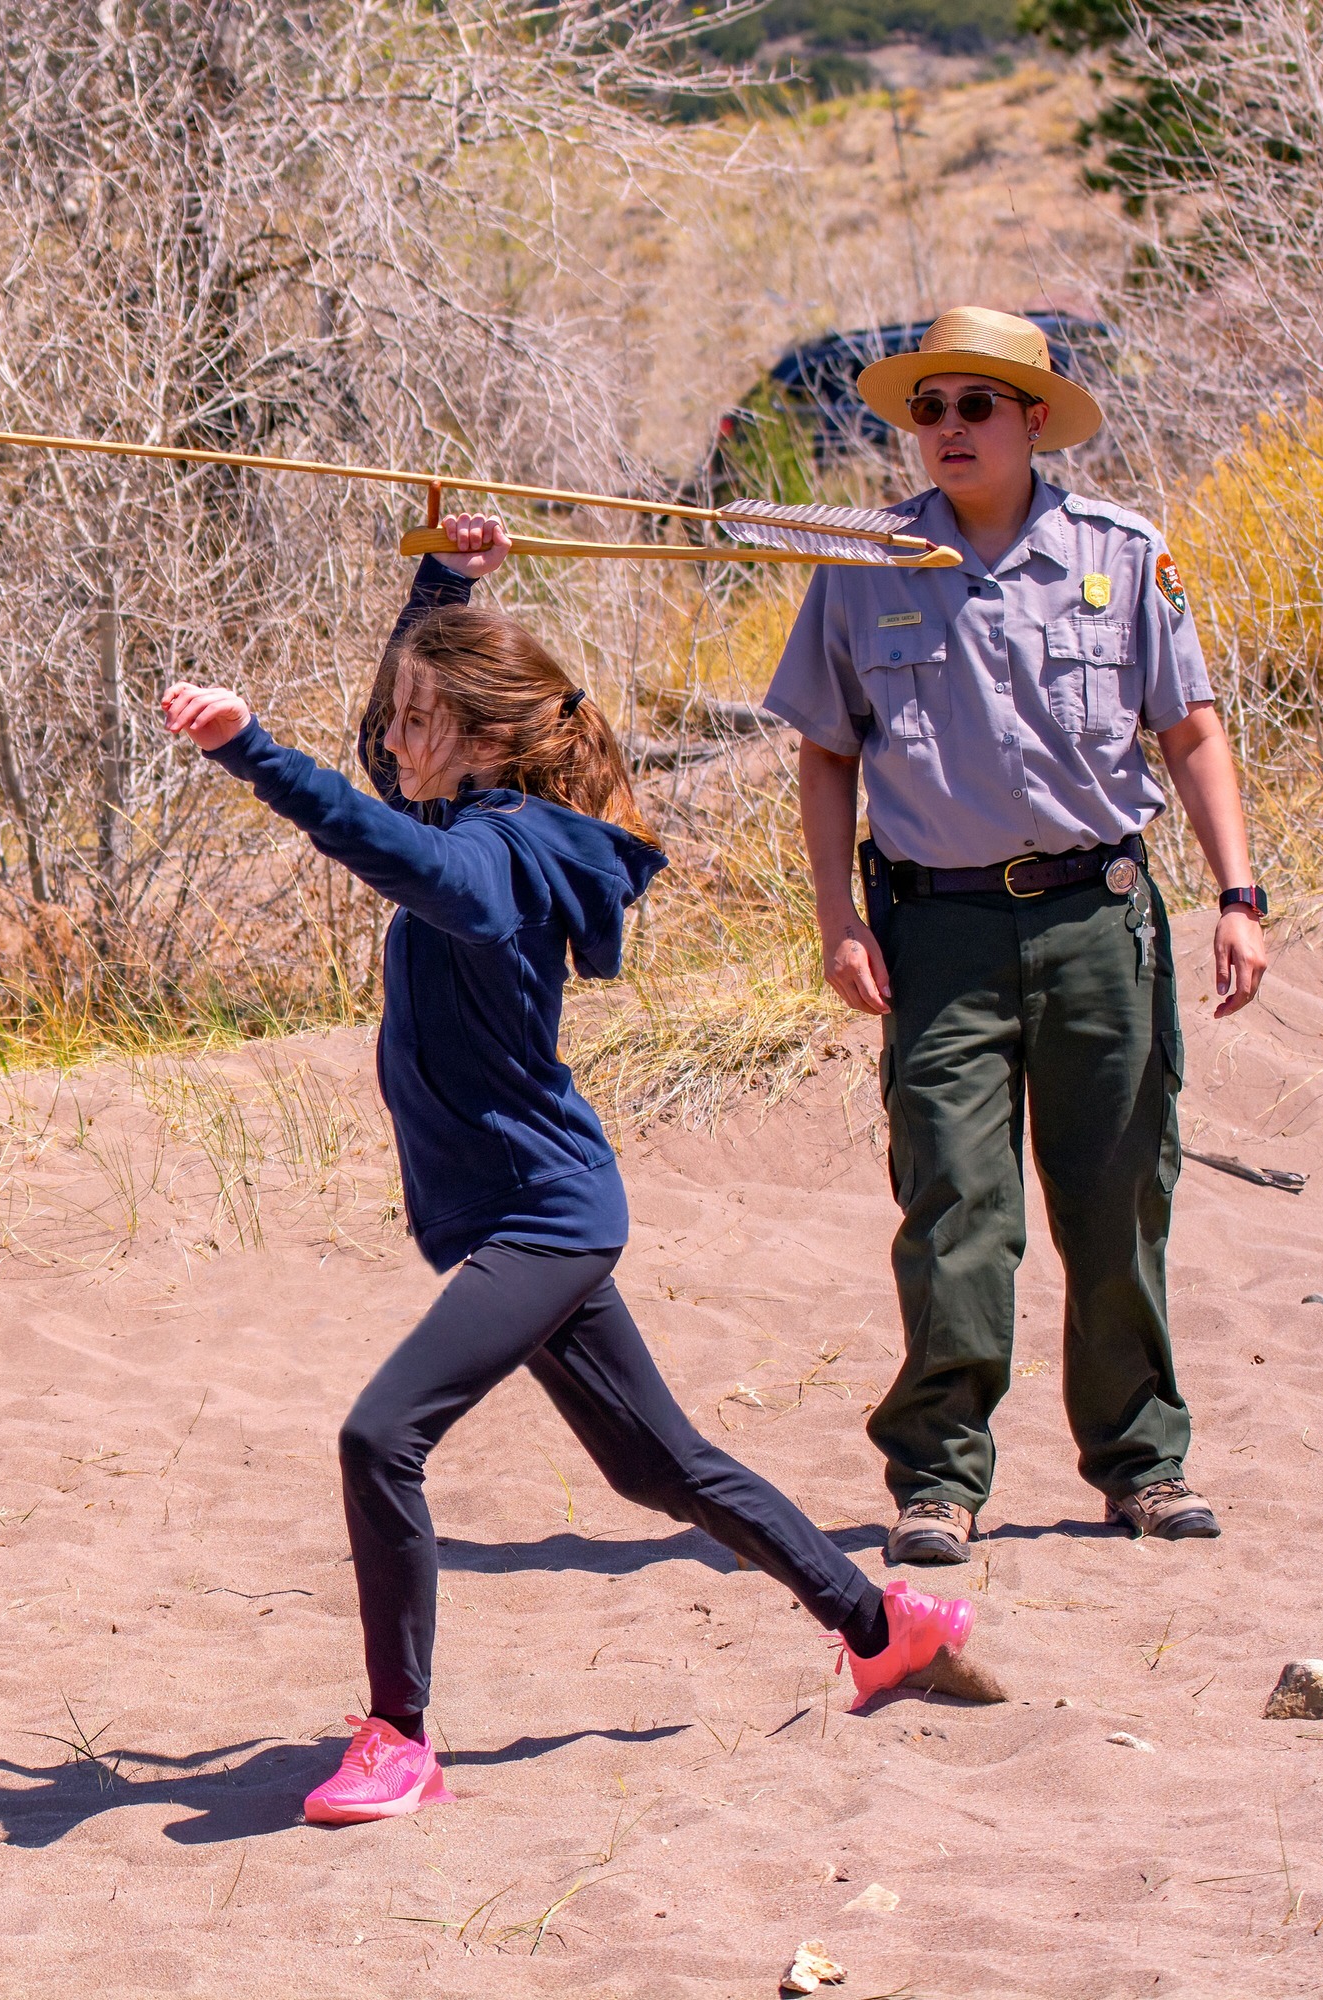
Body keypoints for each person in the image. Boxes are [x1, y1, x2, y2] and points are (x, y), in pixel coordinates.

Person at [159, 515, 978, 1829]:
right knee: (660, 1468)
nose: (393, 740)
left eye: (421, 722)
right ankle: (879, 1624)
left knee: (381, 1437)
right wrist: (447, 585)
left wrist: (248, 748)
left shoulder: (493, 858)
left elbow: (392, 847)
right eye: (398, 719)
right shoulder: (472, 807)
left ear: (485, 741)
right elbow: (389, 758)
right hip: (526, 1213)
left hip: (542, 1220)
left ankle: (399, 1737)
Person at [761, 308, 1266, 1568]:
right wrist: (836, 920)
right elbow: (825, 753)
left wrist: (1238, 895)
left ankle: (1143, 1463)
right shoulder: (866, 562)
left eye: (973, 406)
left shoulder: (1122, 553)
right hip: (938, 932)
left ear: (1034, 419)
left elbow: (1190, 731)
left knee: (1117, 1199)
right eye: (926, 410)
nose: (945, 431)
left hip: (1100, 920)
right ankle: (938, 1477)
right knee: (953, 1206)